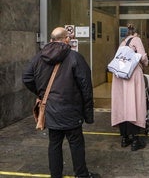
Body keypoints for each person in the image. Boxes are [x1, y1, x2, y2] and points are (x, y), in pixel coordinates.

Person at [22, 27, 100, 178]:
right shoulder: (75, 57)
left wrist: (42, 94)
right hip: (72, 110)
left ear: (51, 40)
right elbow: (86, 87)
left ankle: (56, 175)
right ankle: (82, 174)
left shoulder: (39, 57)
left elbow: (27, 78)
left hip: (51, 109)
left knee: (54, 143)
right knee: (76, 143)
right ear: (67, 39)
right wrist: (88, 114)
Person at [111, 24, 148, 151]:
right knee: (135, 103)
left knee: (122, 105)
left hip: (120, 75)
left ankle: (124, 138)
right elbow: (143, 57)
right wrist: (146, 63)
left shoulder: (122, 42)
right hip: (132, 74)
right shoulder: (137, 40)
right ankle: (135, 140)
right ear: (136, 33)